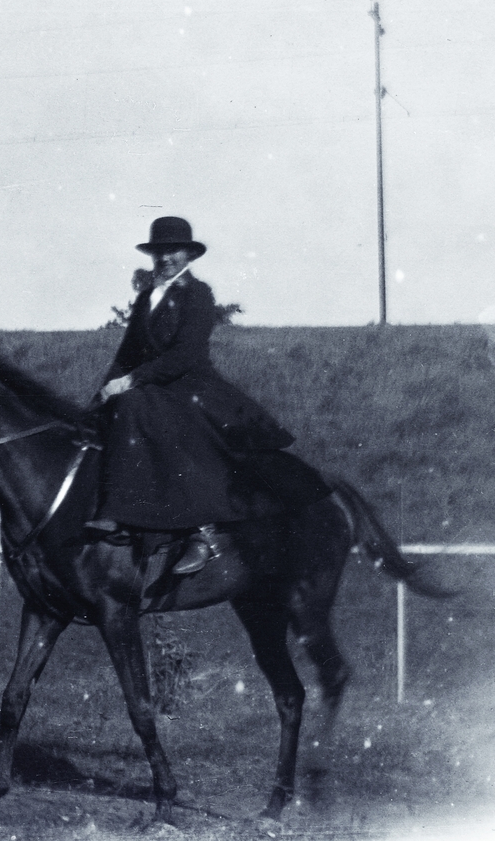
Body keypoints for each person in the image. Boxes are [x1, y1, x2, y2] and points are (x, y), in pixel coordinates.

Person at [87, 216, 331, 574]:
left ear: (188, 254)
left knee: (140, 408)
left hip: (191, 385)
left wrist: (132, 381)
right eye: (161, 251)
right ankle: (120, 514)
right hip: (152, 387)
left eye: (174, 251)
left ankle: (201, 531)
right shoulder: (144, 299)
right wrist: (101, 394)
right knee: (112, 413)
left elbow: (184, 354)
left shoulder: (198, 294)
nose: (167, 258)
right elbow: (125, 354)